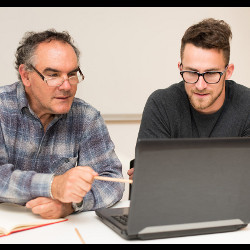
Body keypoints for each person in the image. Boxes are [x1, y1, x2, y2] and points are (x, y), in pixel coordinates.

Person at [0, 30, 124, 219]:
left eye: (72, 74)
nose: (66, 86)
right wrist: (53, 186)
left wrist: (71, 204)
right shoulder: (2, 107)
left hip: (59, 231)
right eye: (53, 74)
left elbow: (112, 181)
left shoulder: (86, 117)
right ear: (26, 76)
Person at [128, 18, 250, 180]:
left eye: (211, 73)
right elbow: (151, 181)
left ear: (228, 71)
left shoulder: (247, 104)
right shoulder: (161, 104)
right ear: (180, 68)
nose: (200, 85)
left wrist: (171, 171)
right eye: (192, 72)